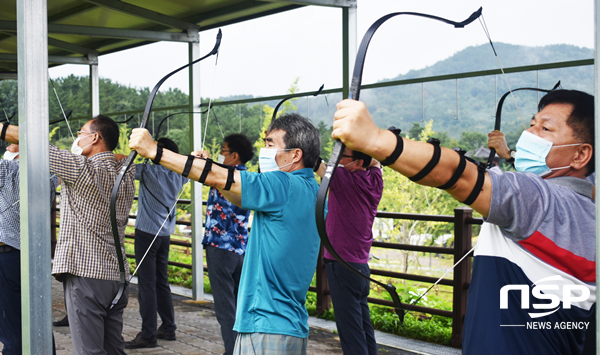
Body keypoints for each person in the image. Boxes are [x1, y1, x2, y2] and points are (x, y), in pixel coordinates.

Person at [330, 89, 595, 355]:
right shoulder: (586, 208)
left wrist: (376, 139)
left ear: (580, 155)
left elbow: (459, 175)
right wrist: (509, 156)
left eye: (545, 128)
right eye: (532, 123)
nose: (530, 134)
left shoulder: (540, 199)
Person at [129, 113, 321, 355]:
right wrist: (205, 169)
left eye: (271, 144)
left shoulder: (283, 185)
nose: (265, 150)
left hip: (268, 326)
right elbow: (227, 185)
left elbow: (221, 178)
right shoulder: (310, 188)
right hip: (285, 326)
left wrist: (154, 151)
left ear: (296, 154)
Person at [0, 116, 136, 355]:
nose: (77, 138)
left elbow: (33, 143)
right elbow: (118, 158)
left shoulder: (83, 170)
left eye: (81, 132)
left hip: (86, 275)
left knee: (89, 350)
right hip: (117, 275)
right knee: (113, 348)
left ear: (95, 137)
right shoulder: (126, 171)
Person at [316, 148, 383, 355]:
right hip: (360, 267)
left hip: (341, 265)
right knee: (363, 328)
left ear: (358, 163)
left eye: (342, 156)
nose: (337, 159)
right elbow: (377, 162)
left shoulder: (344, 178)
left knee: (351, 334)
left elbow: (314, 162)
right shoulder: (375, 180)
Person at [124, 138, 189, 349]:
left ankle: (148, 334)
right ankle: (168, 328)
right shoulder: (181, 174)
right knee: (161, 281)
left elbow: (122, 163)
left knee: (147, 285)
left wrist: (139, 150)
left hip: (147, 233)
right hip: (164, 235)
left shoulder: (148, 171)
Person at [0, 145, 59, 355]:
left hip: (8, 256)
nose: (7, 147)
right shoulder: (50, 177)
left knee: (11, 326)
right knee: (38, 318)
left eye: (12, 145)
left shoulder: (7, 170)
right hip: (34, 255)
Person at [198, 133, 253, 355]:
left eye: (224, 150)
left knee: (225, 308)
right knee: (239, 305)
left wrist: (202, 160)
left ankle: (233, 351)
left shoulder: (223, 176)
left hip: (221, 248)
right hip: (240, 249)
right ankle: (243, 349)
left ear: (235, 156)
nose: (221, 153)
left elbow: (202, 172)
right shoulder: (247, 177)